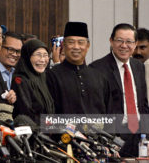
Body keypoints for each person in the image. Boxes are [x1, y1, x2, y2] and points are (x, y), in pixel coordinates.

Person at [90, 23, 149, 157]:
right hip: (114, 137)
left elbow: (142, 104)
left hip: (140, 137)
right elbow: (96, 111)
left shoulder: (138, 66)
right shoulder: (97, 69)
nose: (124, 45)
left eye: (129, 42)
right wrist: (107, 141)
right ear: (111, 41)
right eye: (119, 41)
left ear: (135, 44)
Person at [47, 22, 112, 114]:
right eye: (71, 42)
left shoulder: (99, 77)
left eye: (81, 42)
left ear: (88, 46)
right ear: (64, 45)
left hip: (98, 128)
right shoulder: (52, 76)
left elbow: (109, 113)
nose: (76, 47)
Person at [12, 39, 54, 122]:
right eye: (38, 55)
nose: (42, 60)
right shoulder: (20, 80)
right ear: (27, 57)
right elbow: (26, 113)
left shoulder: (44, 77)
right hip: (31, 131)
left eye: (45, 55)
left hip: (48, 130)